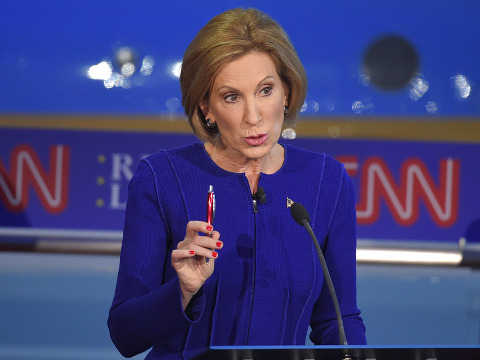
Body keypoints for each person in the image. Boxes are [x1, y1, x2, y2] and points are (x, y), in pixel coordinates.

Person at [108, 7, 366, 359]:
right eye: (232, 97)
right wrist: (182, 290)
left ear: (287, 92)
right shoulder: (160, 178)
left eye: (265, 90)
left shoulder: (326, 180)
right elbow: (125, 334)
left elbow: (337, 320)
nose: (254, 116)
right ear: (206, 107)